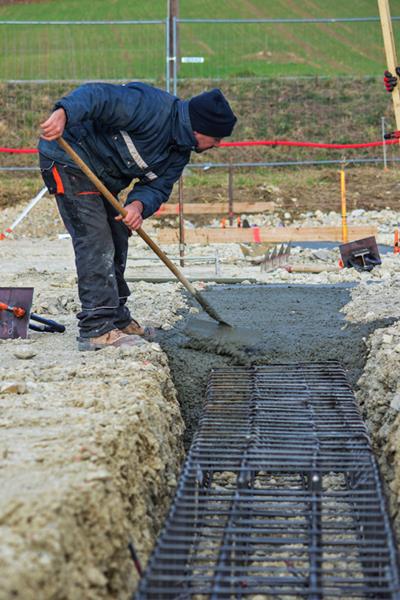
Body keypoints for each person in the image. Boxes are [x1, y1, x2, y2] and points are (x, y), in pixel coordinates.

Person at [38, 82, 237, 350]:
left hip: (102, 176)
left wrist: (138, 206)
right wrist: (64, 113)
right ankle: (96, 328)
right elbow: (98, 96)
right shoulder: (149, 106)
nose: (218, 144)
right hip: (70, 158)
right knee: (95, 241)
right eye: (216, 139)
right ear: (200, 128)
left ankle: (116, 318)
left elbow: (157, 186)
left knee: (118, 234)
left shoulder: (179, 152)